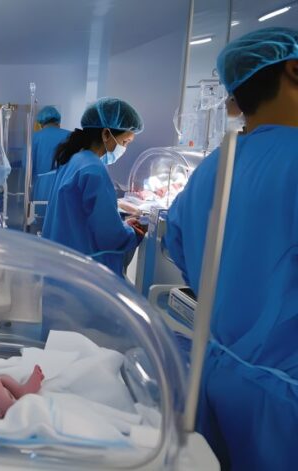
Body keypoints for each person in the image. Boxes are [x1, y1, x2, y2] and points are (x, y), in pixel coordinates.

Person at [164, 27, 298, 470]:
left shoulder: (212, 167)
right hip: (286, 401)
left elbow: (182, 251)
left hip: (220, 377)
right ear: (294, 70)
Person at [41, 98, 146, 276]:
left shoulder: (74, 159)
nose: (124, 148)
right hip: (80, 272)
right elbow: (110, 237)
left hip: (60, 263)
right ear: (106, 134)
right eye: (125, 142)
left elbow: (82, 218)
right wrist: (131, 233)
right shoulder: (93, 170)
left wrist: (123, 225)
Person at [31, 106, 70, 182]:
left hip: (40, 184)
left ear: (41, 123)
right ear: (58, 121)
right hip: (63, 183)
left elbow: (27, 164)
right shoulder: (70, 136)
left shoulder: (34, 137)